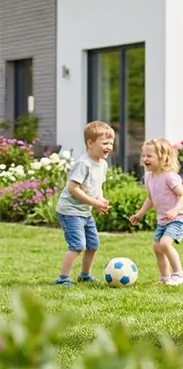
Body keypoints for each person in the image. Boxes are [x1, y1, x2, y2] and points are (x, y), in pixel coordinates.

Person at [54, 120, 114, 285]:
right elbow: (73, 188)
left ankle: (85, 275)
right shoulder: (83, 164)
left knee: (93, 245)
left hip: (84, 212)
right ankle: (63, 278)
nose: (109, 146)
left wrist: (100, 200)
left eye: (111, 143)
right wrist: (94, 203)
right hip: (70, 211)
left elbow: (97, 186)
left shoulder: (102, 164)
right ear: (90, 143)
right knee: (77, 246)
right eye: (105, 143)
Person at [129, 138, 183, 285]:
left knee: (164, 244)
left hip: (179, 218)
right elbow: (150, 199)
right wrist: (140, 214)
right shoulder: (149, 178)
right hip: (163, 220)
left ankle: (179, 274)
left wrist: (175, 210)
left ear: (163, 157)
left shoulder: (170, 177)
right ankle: (165, 278)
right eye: (143, 155)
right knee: (157, 248)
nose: (145, 159)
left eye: (149, 156)